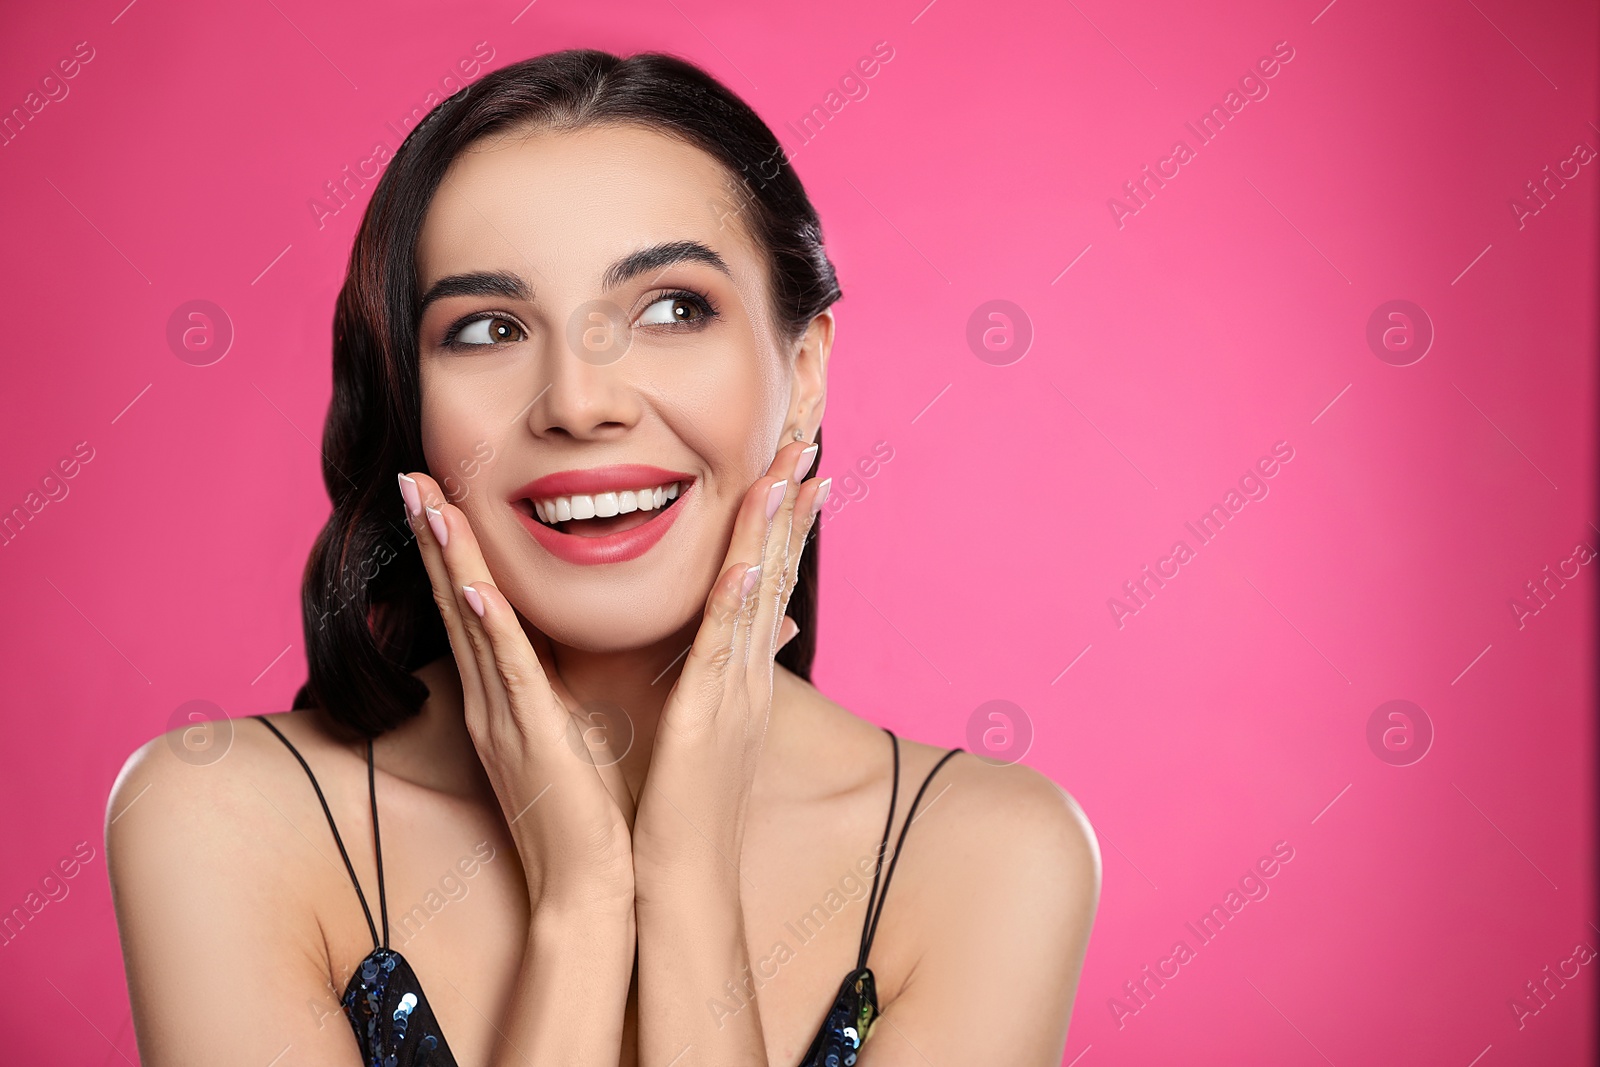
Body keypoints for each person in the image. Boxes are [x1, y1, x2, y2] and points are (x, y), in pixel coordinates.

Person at [106, 48, 1099, 1066]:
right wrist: (581, 906)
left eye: (672, 308)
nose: (579, 402)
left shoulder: (984, 853)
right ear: (410, 402)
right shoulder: (222, 818)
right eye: (489, 328)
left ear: (802, 371)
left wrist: (687, 881)